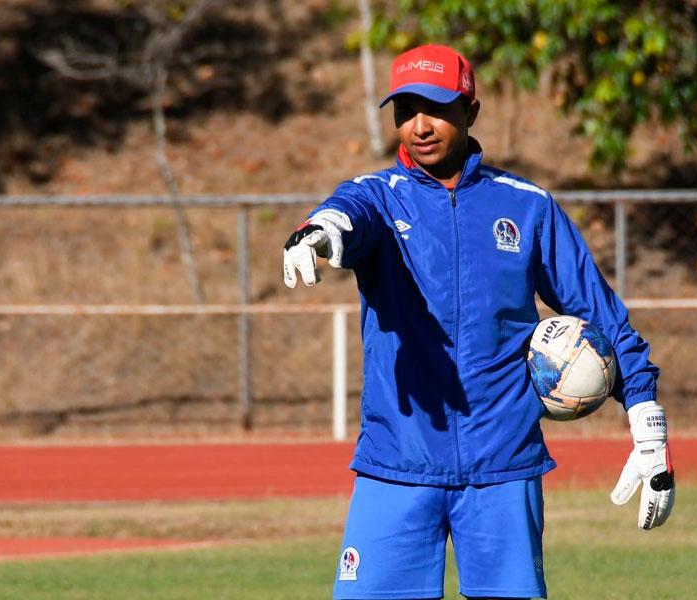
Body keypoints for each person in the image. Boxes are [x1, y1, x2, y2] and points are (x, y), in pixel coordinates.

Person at [283, 44, 675, 600]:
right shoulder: (379, 198)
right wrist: (320, 231)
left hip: (503, 466)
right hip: (397, 463)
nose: (420, 126)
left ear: (471, 111)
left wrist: (647, 422)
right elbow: (347, 214)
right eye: (406, 110)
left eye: (437, 109)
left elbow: (599, 312)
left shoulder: (527, 206)